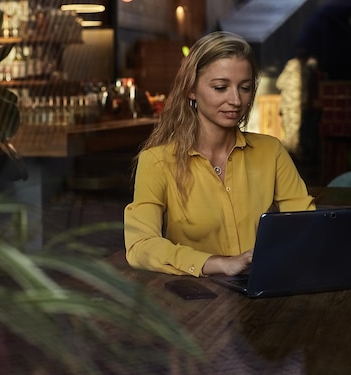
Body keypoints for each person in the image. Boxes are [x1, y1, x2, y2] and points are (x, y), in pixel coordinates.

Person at [124, 31, 315, 277]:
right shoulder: (157, 161)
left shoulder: (271, 151)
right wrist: (218, 263)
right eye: (220, 87)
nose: (235, 100)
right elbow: (141, 246)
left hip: (262, 286)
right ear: (191, 90)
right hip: (196, 295)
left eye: (244, 88)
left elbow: (307, 224)